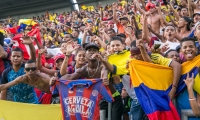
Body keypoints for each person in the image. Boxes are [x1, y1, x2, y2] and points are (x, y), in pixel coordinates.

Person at [0, 35, 38, 103]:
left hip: (32, 103)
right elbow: (3, 91)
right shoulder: (6, 73)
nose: (15, 58)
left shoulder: (27, 67)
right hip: (17, 105)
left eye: (18, 56)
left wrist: (30, 44)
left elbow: (33, 59)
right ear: (10, 57)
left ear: (22, 58)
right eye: (14, 56)